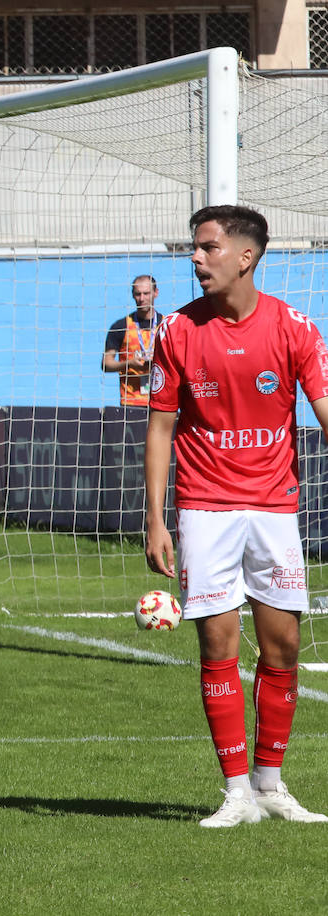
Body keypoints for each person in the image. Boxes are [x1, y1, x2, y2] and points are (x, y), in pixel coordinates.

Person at [145, 204, 328, 829]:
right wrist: (155, 519)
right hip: (204, 509)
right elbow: (161, 425)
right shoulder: (176, 330)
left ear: (246, 257)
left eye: (207, 248)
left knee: (283, 647)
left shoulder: (295, 327)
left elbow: (325, 405)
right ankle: (234, 793)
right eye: (195, 248)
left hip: (274, 508)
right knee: (217, 644)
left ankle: (270, 783)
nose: (195, 258)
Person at [103, 275, 164, 406]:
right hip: (131, 401)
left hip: (161, 400)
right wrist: (129, 364)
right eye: (138, 294)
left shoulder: (166, 324)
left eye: (146, 293)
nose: (142, 299)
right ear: (132, 295)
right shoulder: (121, 326)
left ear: (156, 293)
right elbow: (106, 364)